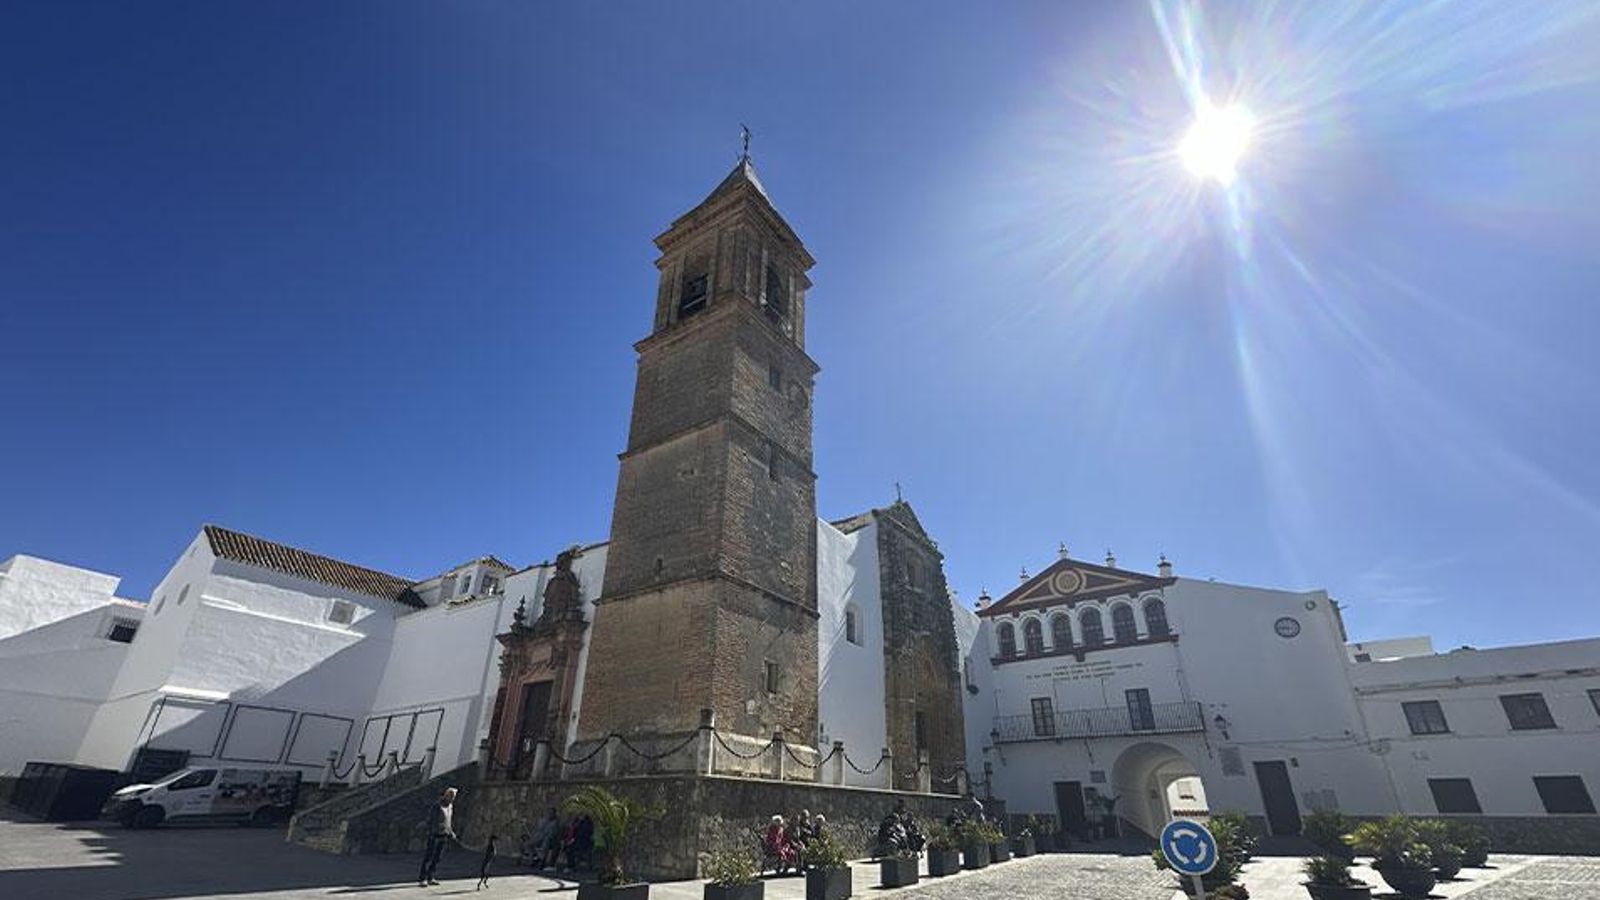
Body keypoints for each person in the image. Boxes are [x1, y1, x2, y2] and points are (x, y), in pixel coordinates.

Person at [418, 786, 458, 887]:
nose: (452, 799)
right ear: (446, 795)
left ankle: (430, 877)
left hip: (444, 835)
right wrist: (432, 832)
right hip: (434, 835)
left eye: (453, 797)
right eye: (451, 796)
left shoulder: (450, 806)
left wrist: (451, 832)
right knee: (429, 857)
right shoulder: (437, 806)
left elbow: (448, 821)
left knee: (437, 858)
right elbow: (430, 820)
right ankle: (422, 878)